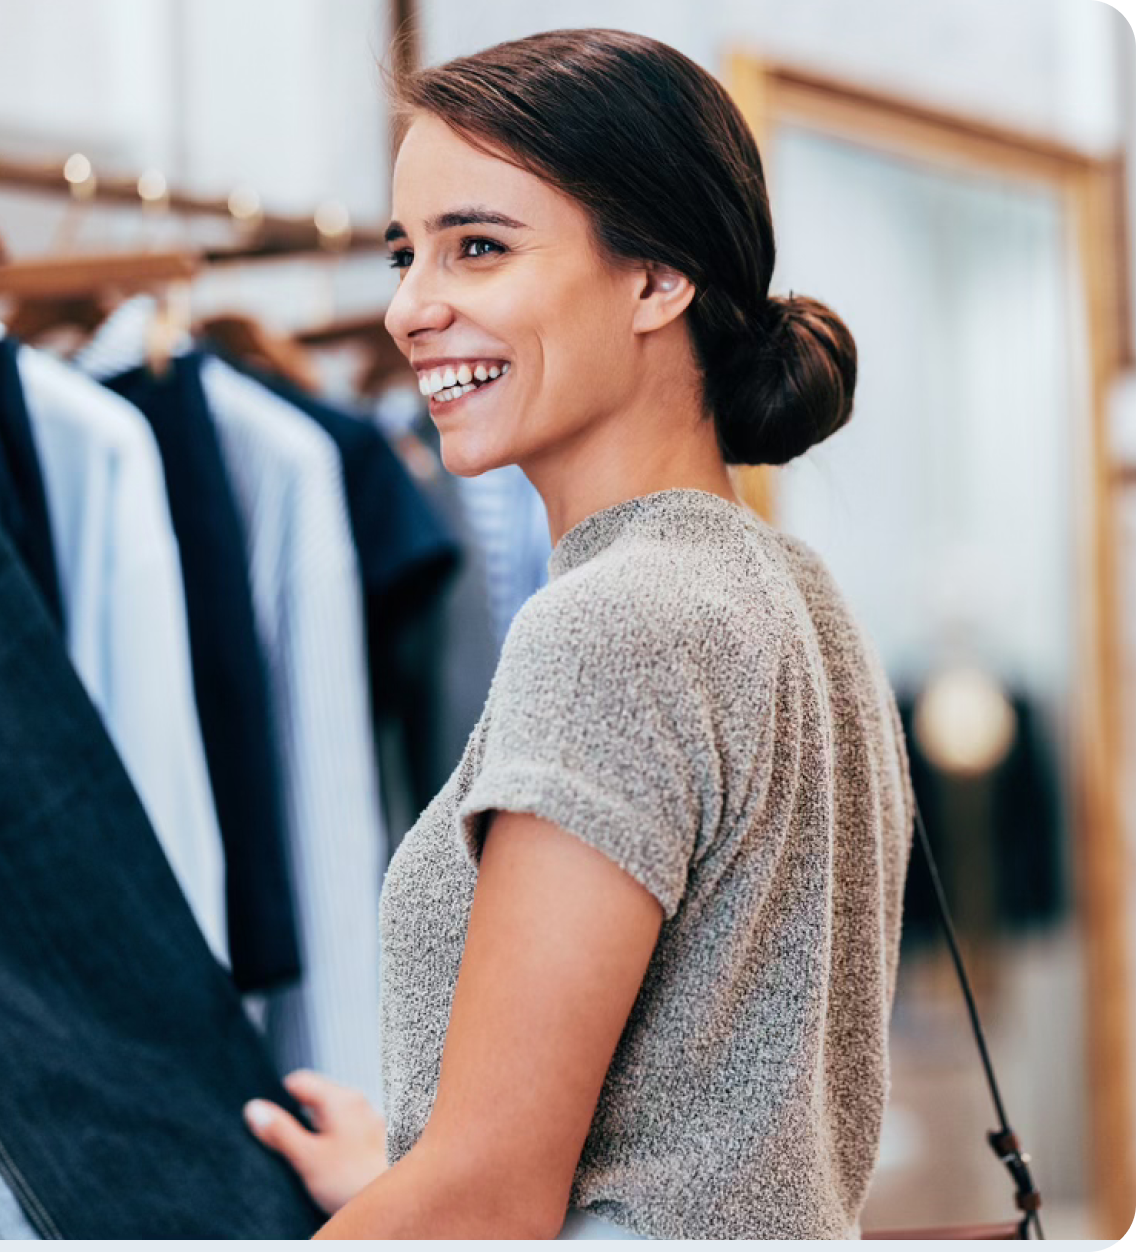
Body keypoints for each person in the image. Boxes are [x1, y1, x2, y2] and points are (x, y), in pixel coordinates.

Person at [241, 27, 914, 1240]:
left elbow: (492, 1201)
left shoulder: (616, 624)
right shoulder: (789, 594)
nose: (408, 309)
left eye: (478, 248)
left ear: (659, 276)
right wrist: (407, 1161)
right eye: (407, 253)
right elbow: (711, 1110)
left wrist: (432, 1186)